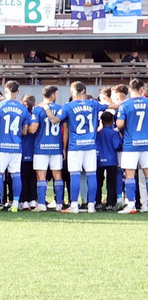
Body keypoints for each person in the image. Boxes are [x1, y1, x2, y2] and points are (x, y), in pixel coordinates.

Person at [54, 81, 104, 213]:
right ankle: (91, 206)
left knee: (75, 175)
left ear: (71, 92)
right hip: (90, 145)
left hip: (75, 146)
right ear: (85, 91)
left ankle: (74, 205)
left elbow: (55, 120)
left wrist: (46, 108)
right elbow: (110, 106)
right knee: (92, 174)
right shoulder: (93, 104)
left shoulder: (68, 106)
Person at [0, 81, 31, 211]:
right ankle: (15, 205)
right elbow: (25, 130)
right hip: (16, 146)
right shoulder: (23, 109)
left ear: (5, 91)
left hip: (1, 145)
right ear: (18, 92)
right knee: (16, 175)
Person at [115, 78, 147, 213]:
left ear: (130, 90)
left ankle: (131, 205)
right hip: (146, 144)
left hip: (130, 145)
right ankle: (146, 205)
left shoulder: (125, 104)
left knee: (129, 175)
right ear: (142, 89)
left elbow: (120, 124)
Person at [34, 86, 67, 210]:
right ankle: (59, 204)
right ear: (53, 95)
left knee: (40, 176)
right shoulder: (61, 109)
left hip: (41, 147)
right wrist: (64, 148)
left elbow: (33, 129)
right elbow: (66, 130)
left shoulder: (38, 109)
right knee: (57, 175)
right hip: (56, 147)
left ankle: (42, 204)